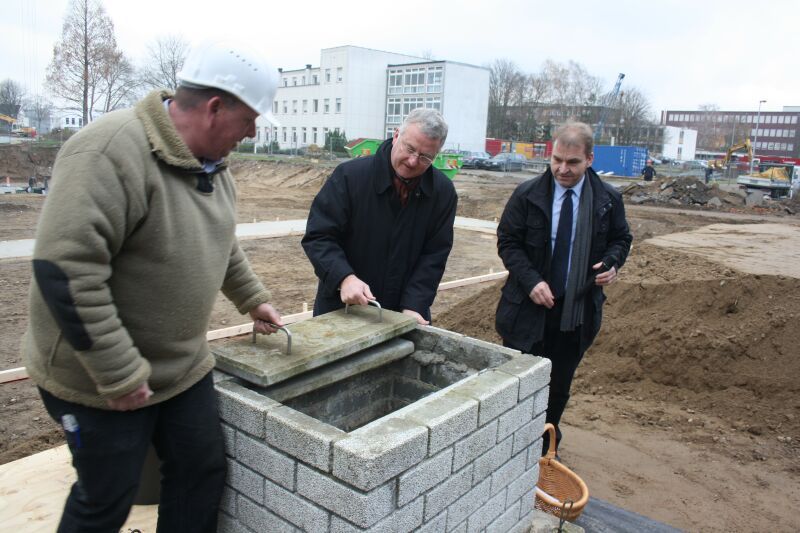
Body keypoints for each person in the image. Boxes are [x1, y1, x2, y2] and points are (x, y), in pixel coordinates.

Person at [23, 40, 283, 533]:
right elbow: (66, 270)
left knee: (200, 470)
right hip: (98, 379)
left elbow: (220, 241)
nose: (250, 134)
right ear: (213, 108)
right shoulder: (108, 152)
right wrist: (118, 371)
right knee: (106, 498)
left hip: (180, 370)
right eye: (249, 121)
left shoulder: (213, 168)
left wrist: (254, 299)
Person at [495, 122, 632, 453]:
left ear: (589, 159)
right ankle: (509, 448)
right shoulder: (527, 195)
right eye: (557, 160)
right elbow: (508, 242)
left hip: (576, 313)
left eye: (572, 163)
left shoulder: (607, 200)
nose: (562, 169)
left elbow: (621, 238)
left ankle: (544, 448)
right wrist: (531, 281)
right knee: (518, 384)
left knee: (558, 388)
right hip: (527, 310)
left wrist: (613, 262)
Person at [302, 108, 457, 325]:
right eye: (409, 148)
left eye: (425, 157)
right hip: (342, 310)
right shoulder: (349, 177)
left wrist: (414, 305)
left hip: (401, 315)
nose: (413, 161)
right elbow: (319, 236)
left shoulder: (442, 193)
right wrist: (343, 277)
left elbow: (434, 255)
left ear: (436, 155)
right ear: (396, 136)